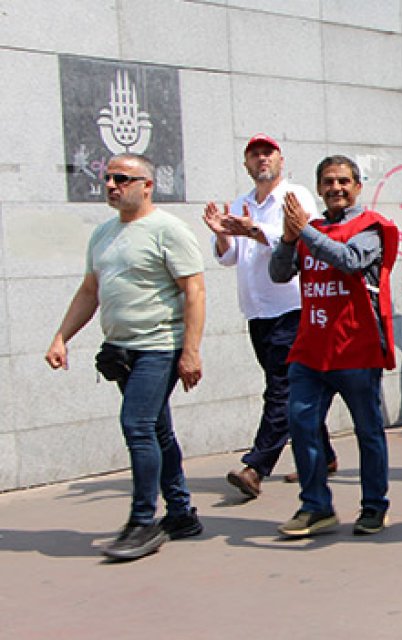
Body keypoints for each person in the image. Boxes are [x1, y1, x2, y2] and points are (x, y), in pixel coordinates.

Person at [45, 153, 206, 560]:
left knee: (137, 425)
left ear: (146, 185)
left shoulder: (168, 230)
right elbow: (89, 291)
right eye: (108, 178)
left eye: (122, 178)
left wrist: (190, 351)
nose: (112, 185)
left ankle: (142, 521)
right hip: (121, 350)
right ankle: (181, 513)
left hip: (159, 346)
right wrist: (62, 337)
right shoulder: (103, 233)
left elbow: (195, 291)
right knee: (158, 430)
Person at [268, 156, 399, 538]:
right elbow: (278, 274)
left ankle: (375, 506)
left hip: (355, 349)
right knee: (301, 423)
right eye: (328, 182)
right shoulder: (312, 230)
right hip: (311, 348)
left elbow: (349, 260)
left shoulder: (371, 227)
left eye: (344, 181)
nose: (336, 188)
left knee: (368, 430)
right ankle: (315, 507)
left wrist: (302, 231)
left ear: (357, 186)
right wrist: (289, 239)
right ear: (319, 188)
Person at [204, 134, 338, 498]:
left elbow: (302, 236)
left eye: (268, 154)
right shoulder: (242, 202)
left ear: (281, 160)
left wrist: (254, 229)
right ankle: (323, 455)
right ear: (246, 164)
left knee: (280, 389)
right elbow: (231, 256)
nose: (262, 160)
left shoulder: (295, 197)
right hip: (257, 311)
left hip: (292, 308)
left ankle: (256, 466)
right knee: (291, 386)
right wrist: (221, 236)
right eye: (255, 155)